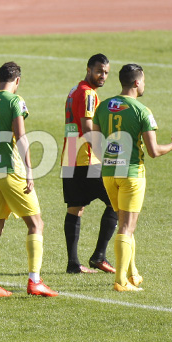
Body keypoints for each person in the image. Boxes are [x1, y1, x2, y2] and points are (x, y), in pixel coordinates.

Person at [93, 64, 172, 292]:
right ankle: (120, 281)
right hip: (132, 174)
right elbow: (154, 151)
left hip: (108, 173)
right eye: (143, 81)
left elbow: (95, 144)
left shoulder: (103, 106)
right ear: (136, 82)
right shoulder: (141, 110)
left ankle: (132, 273)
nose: (144, 84)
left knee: (125, 222)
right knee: (126, 226)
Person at [0, 63, 58, 299]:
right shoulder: (15, 101)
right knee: (36, 224)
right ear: (18, 80)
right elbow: (21, 136)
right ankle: (35, 281)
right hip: (11, 170)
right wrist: (30, 171)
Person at [61, 54, 116, 274]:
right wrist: (105, 154)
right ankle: (99, 256)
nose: (102, 76)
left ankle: (73, 263)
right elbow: (86, 127)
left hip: (70, 155)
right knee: (117, 202)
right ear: (88, 69)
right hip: (86, 157)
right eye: (99, 71)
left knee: (75, 208)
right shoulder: (88, 93)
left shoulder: (74, 90)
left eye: (106, 73)